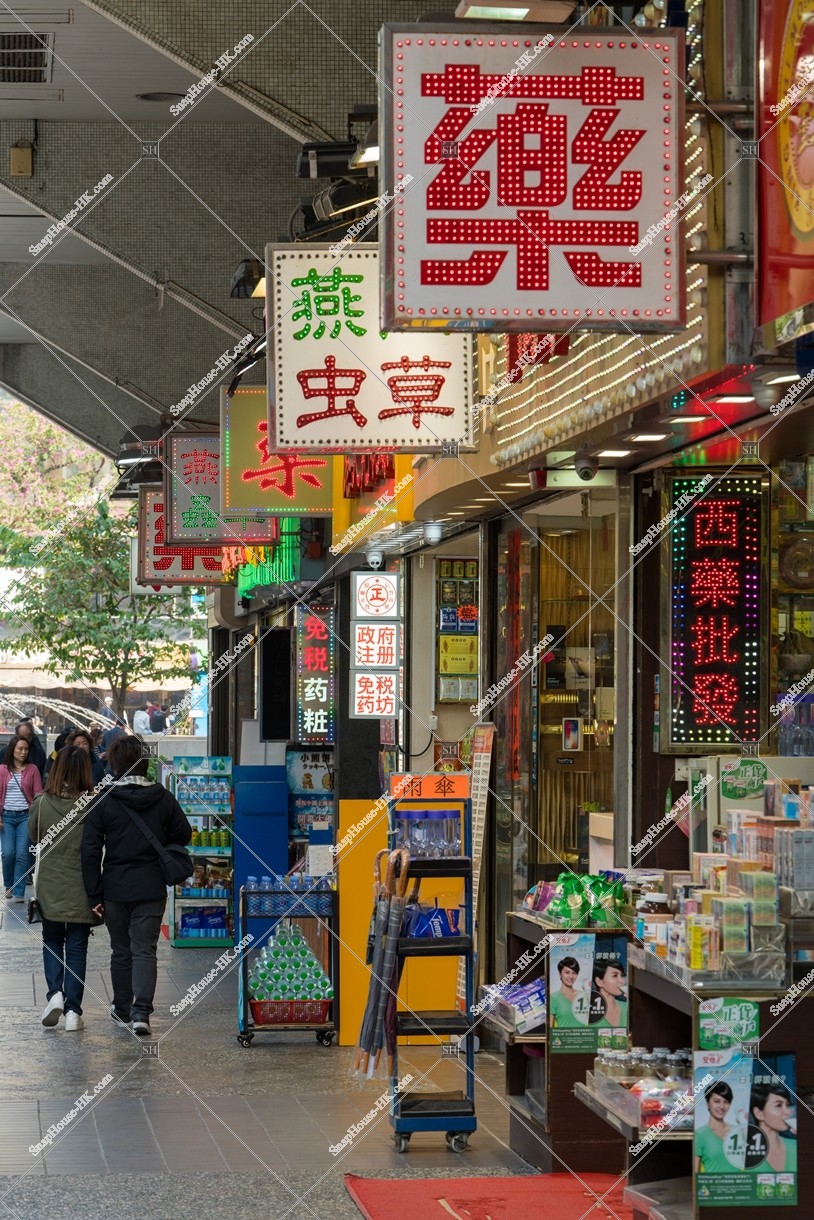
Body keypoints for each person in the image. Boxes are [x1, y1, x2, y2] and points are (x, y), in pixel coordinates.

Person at [81, 735, 191, 1035]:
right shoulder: (163, 797)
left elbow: (90, 849)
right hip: (151, 885)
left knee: (121, 950)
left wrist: (94, 892)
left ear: (114, 763)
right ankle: (141, 1014)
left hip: (115, 887)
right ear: (144, 763)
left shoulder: (103, 800)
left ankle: (121, 1009)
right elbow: (184, 833)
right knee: (145, 950)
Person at [29, 747, 97, 1031]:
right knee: (78, 949)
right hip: (84, 887)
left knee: (53, 941)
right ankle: (73, 1013)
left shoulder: (41, 803)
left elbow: (34, 837)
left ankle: (55, 994)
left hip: (50, 887)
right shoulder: (94, 805)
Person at [0, 736, 43, 901]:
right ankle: (9, 885)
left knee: (22, 854)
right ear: (12, 750)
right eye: (20, 749)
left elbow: (38, 794)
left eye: (26, 749)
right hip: (7, 817)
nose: (23, 752)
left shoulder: (32, 769)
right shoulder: (2, 770)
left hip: (26, 816)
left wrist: (38, 816)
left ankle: (19, 891)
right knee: (8, 853)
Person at [748, 1080, 797, 1173]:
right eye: (779, 1105)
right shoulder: (742, 1152)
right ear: (759, 1113)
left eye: (787, 1105)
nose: (787, 1112)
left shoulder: (795, 1146)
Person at [695, 1081, 738, 1174]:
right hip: (711, 1187)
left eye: (726, 1102)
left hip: (737, 1186)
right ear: (707, 1103)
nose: (721, 1106)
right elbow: (696, 1175)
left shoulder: (737, 1131)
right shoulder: (700, 1135)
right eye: (717, 1101)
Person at [589, 958, 628, 1028]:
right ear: (599, 982)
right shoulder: (587, 1012)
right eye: (615, 976)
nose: (621, 981)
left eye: (621, 975)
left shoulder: (627, 1007)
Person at [549, 956, 584, 1028]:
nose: (571, 976)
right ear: (560, 974)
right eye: (567, 972)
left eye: (574, 973)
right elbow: (550, 1029)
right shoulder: (553, 998)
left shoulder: (583, 995)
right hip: (563, 1038)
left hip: (583, 1037)